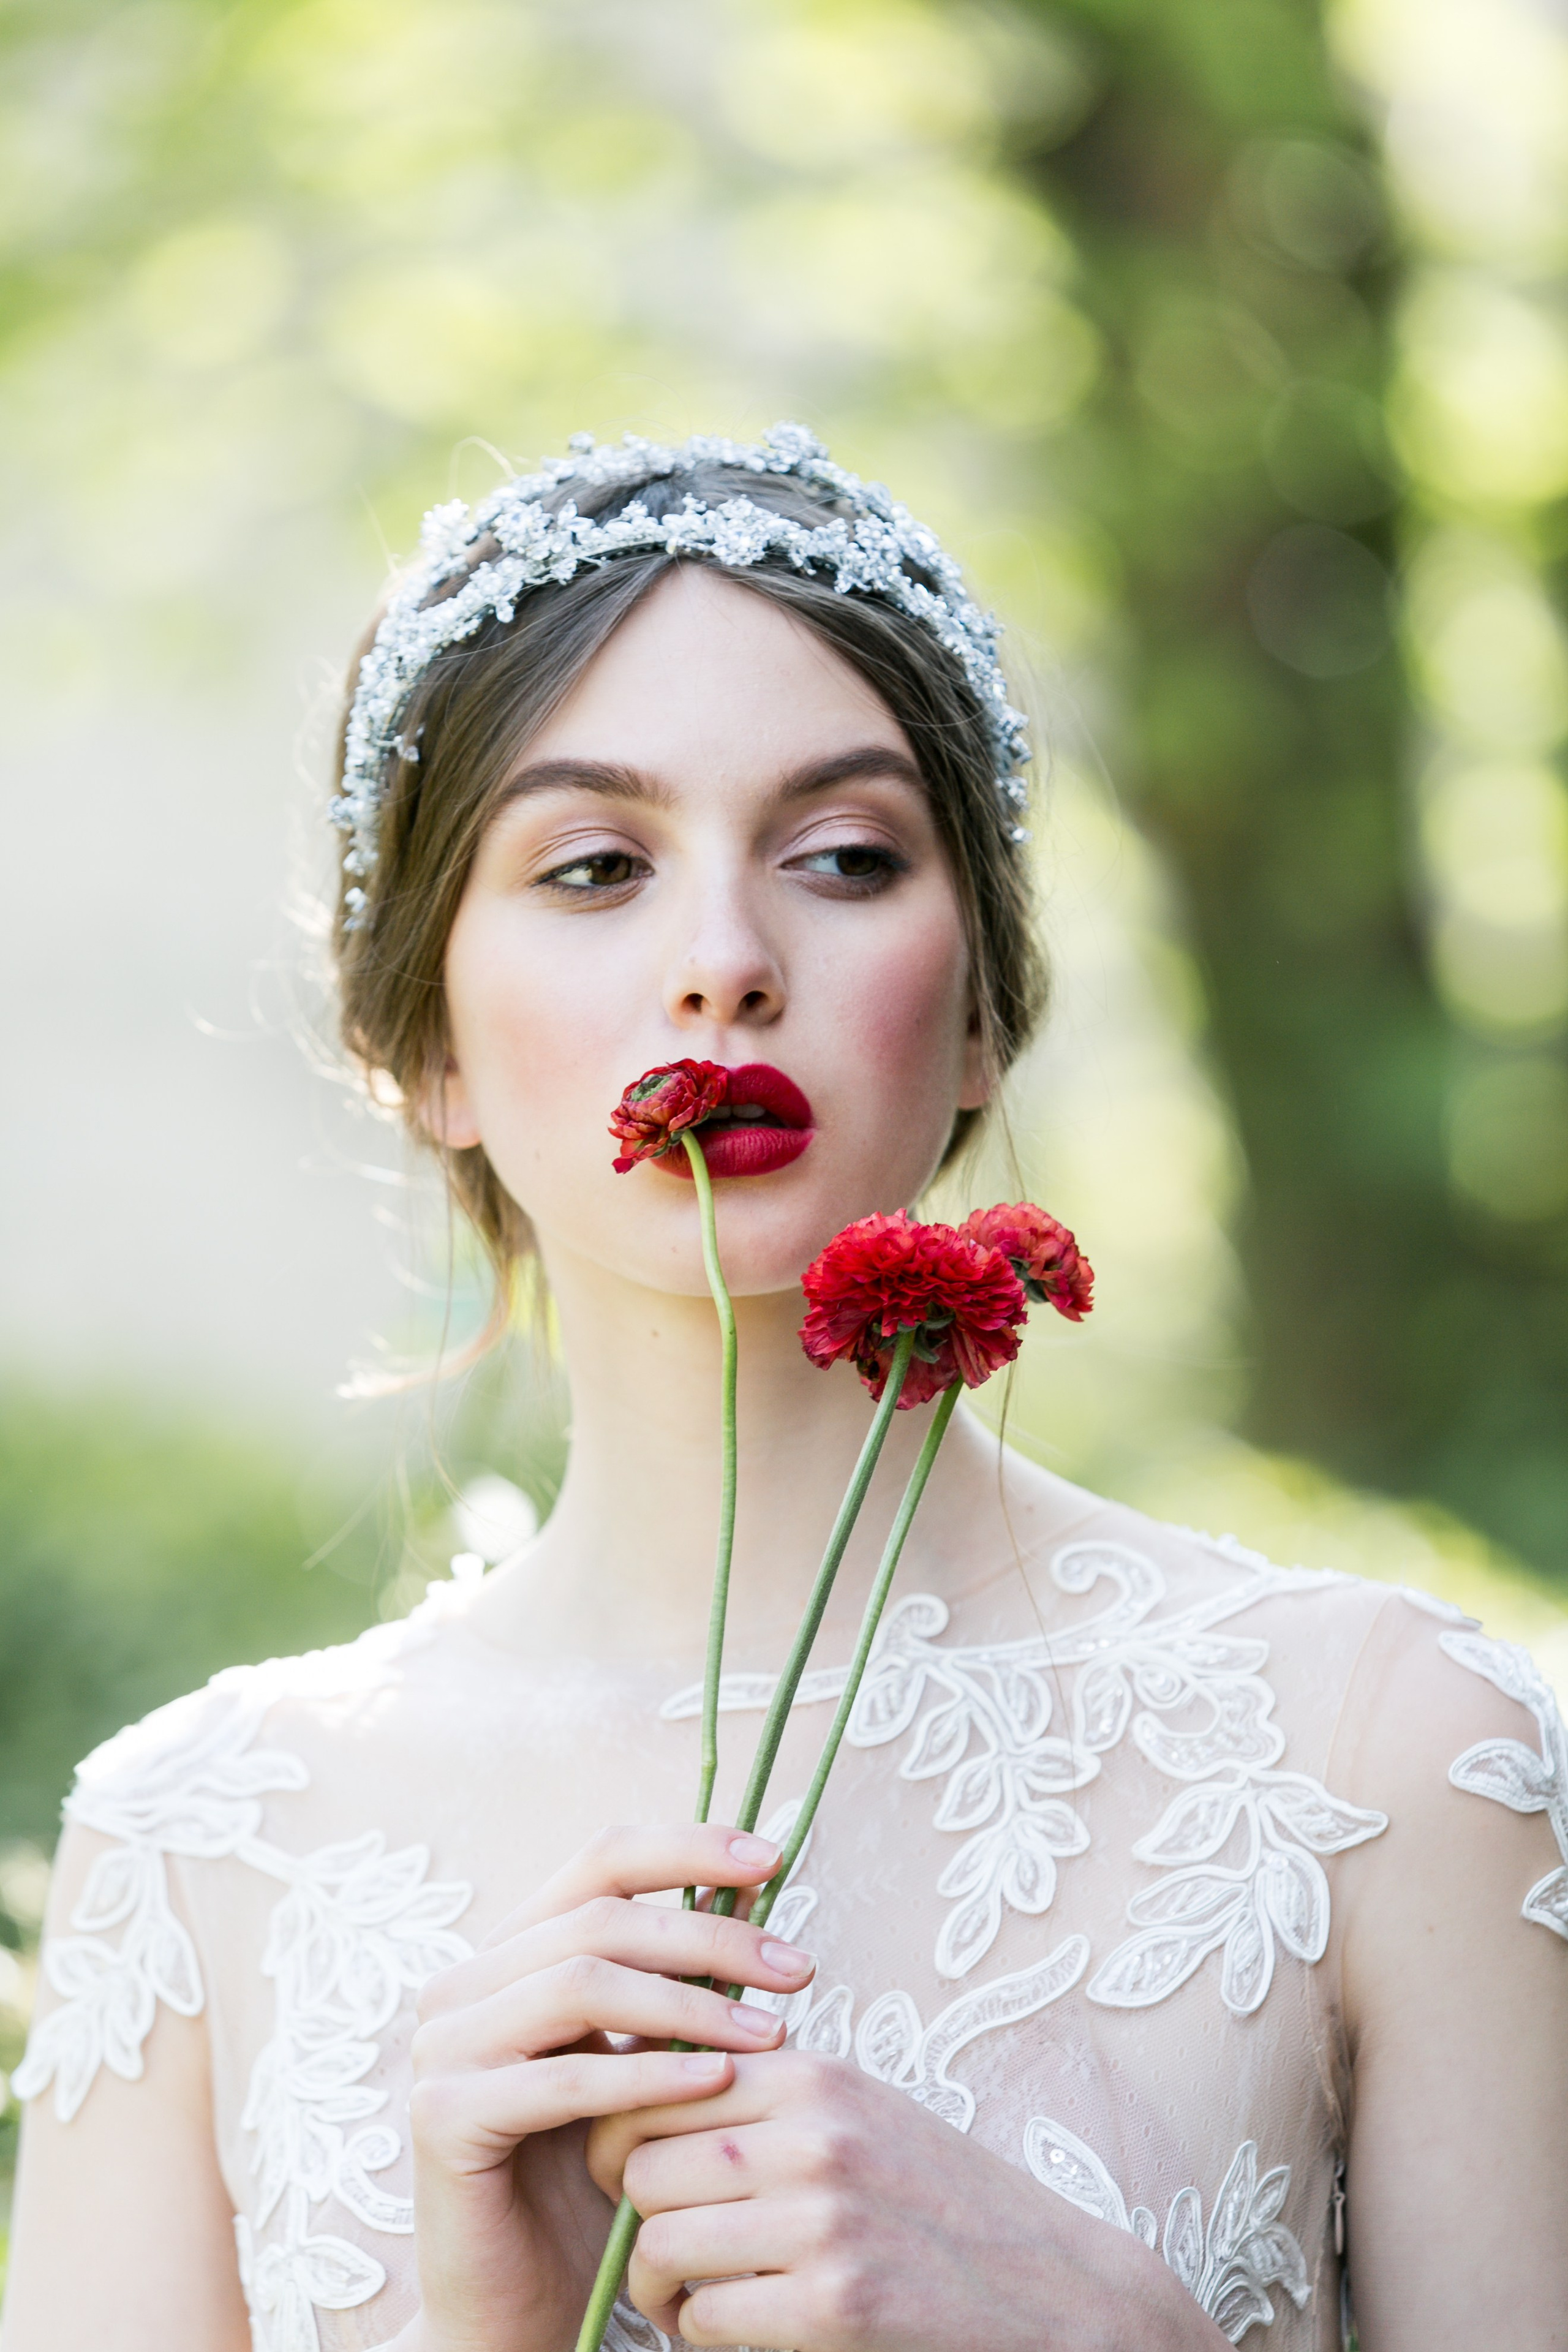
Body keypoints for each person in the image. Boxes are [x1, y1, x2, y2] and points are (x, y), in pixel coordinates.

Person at [6, 427, 1566, 2352]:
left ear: (984, 1006)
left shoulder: (1391, 1761)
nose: (726, 965)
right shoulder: (202, 1849)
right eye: (596, 868)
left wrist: (1106, 2332)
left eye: (843, 859)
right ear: (429, 1049)